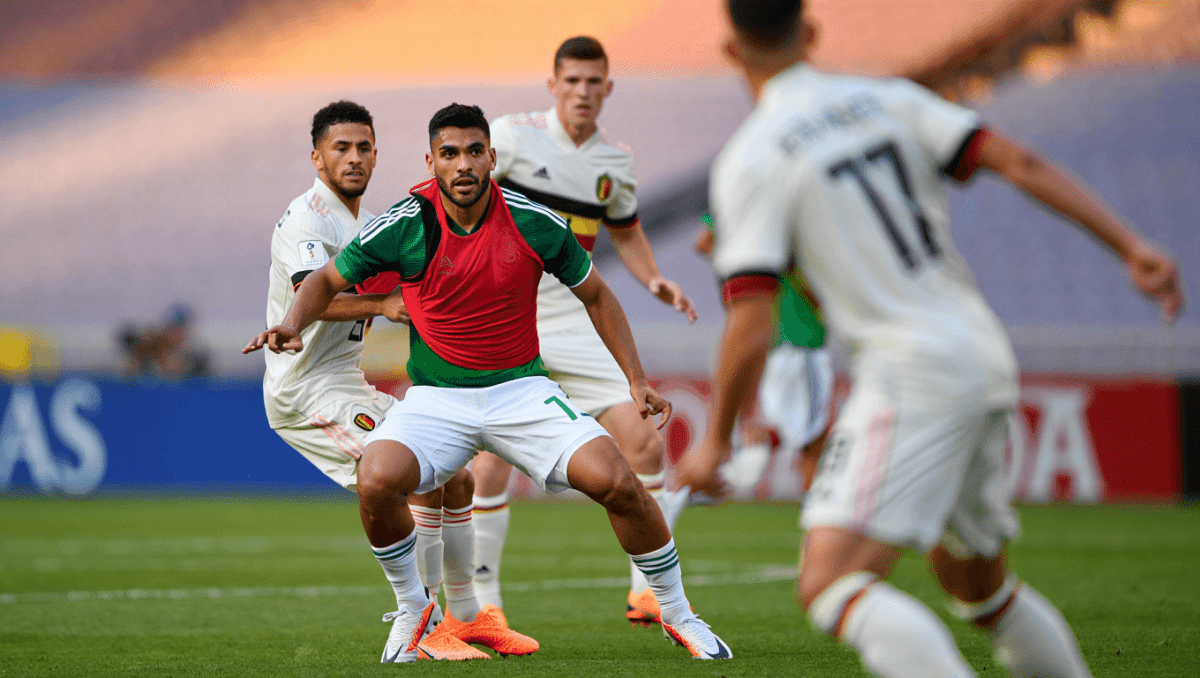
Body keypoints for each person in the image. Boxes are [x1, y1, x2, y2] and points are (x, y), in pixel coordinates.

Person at [674, 2, 1183, 677]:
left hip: (910, 370)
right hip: (980, 347)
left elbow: (751, 316)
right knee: (981, 590)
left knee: (830, 584)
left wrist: (714, 437)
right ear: (813, 31)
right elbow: (1019, 159)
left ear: (732, 50)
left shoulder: (753, 157)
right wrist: (1131, 246)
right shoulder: (886, 97)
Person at [245, 103, 732, 662]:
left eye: (474, 151)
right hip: (436, 399)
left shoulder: (531, 221)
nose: (463, 165)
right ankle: (414, 614)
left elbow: (596, 293)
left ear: (492, 157)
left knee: (618, 481)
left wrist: (636, 380)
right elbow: (325, 279)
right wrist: (288, 323)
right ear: (431, 162)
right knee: (380, 477)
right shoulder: (404, 222)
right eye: (449, 154)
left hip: (521, 392)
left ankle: (679, 613)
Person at [247, 100, 532, 663]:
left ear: (376, 153)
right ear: (316, 156)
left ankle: (467, 617)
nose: (354, 158)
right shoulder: (310, 218)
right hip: (308, 391)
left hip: (343, 380)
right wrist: (383, 302)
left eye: (363, 147)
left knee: (457, 478)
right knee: (417, 476)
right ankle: (421, 629)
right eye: (340, 148)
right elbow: (317, 289)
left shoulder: (360, 219)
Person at [471, 35, 699, 627]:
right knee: (491, 462)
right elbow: (461, 190)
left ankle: (647, 590)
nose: (581, 91)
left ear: (607, 89)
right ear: (553, 85)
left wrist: (653, 280)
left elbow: (625, 229)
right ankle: (484, 602)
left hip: (575, 314)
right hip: (509, 311)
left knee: (645, 441)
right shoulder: (513, 136)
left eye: (592, 81)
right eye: (570, 80)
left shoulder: (613, 163)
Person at [694, 217, 832, 501]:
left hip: (777, 339)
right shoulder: (792, 225)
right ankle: (760, 443)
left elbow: (704, 241)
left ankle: (760, 439)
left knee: (808, 434)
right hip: (802, 340)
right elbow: (818, 294)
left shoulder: (758, 232)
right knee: (814, 441)